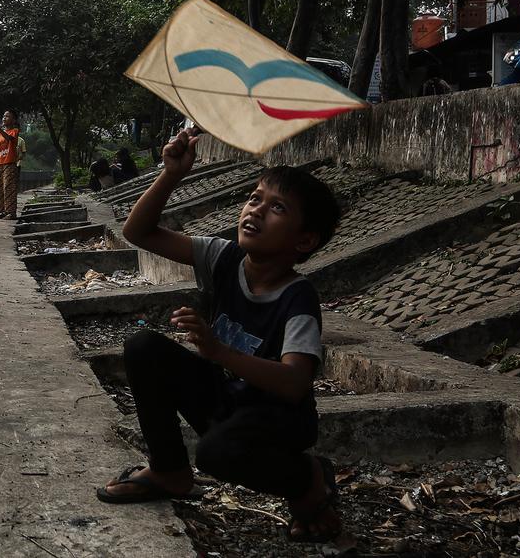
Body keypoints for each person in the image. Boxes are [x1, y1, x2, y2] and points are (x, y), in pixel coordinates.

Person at [96, 128, 343, 544]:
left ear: (305, 240)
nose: (256, 211)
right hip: (226, 399)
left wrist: (217, 350)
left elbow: (295, 382)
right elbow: (137, 233)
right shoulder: (224, 257)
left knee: (215, 454)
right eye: (255, 198)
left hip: (275, 420)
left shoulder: (298, 299)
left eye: (277, 207)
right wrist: (171, 174)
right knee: (144, 347)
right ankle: (169, 470)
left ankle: (309, 479)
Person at [0, 111, 22, 219]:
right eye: (3, 116)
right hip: (1, 163)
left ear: (13, 120)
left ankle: (11, 212)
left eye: (7, 116)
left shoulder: (14, 131)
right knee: (0, 187)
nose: (4, 118)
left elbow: (9, 139)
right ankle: (2, 211)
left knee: (9, 186)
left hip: (10, 163)